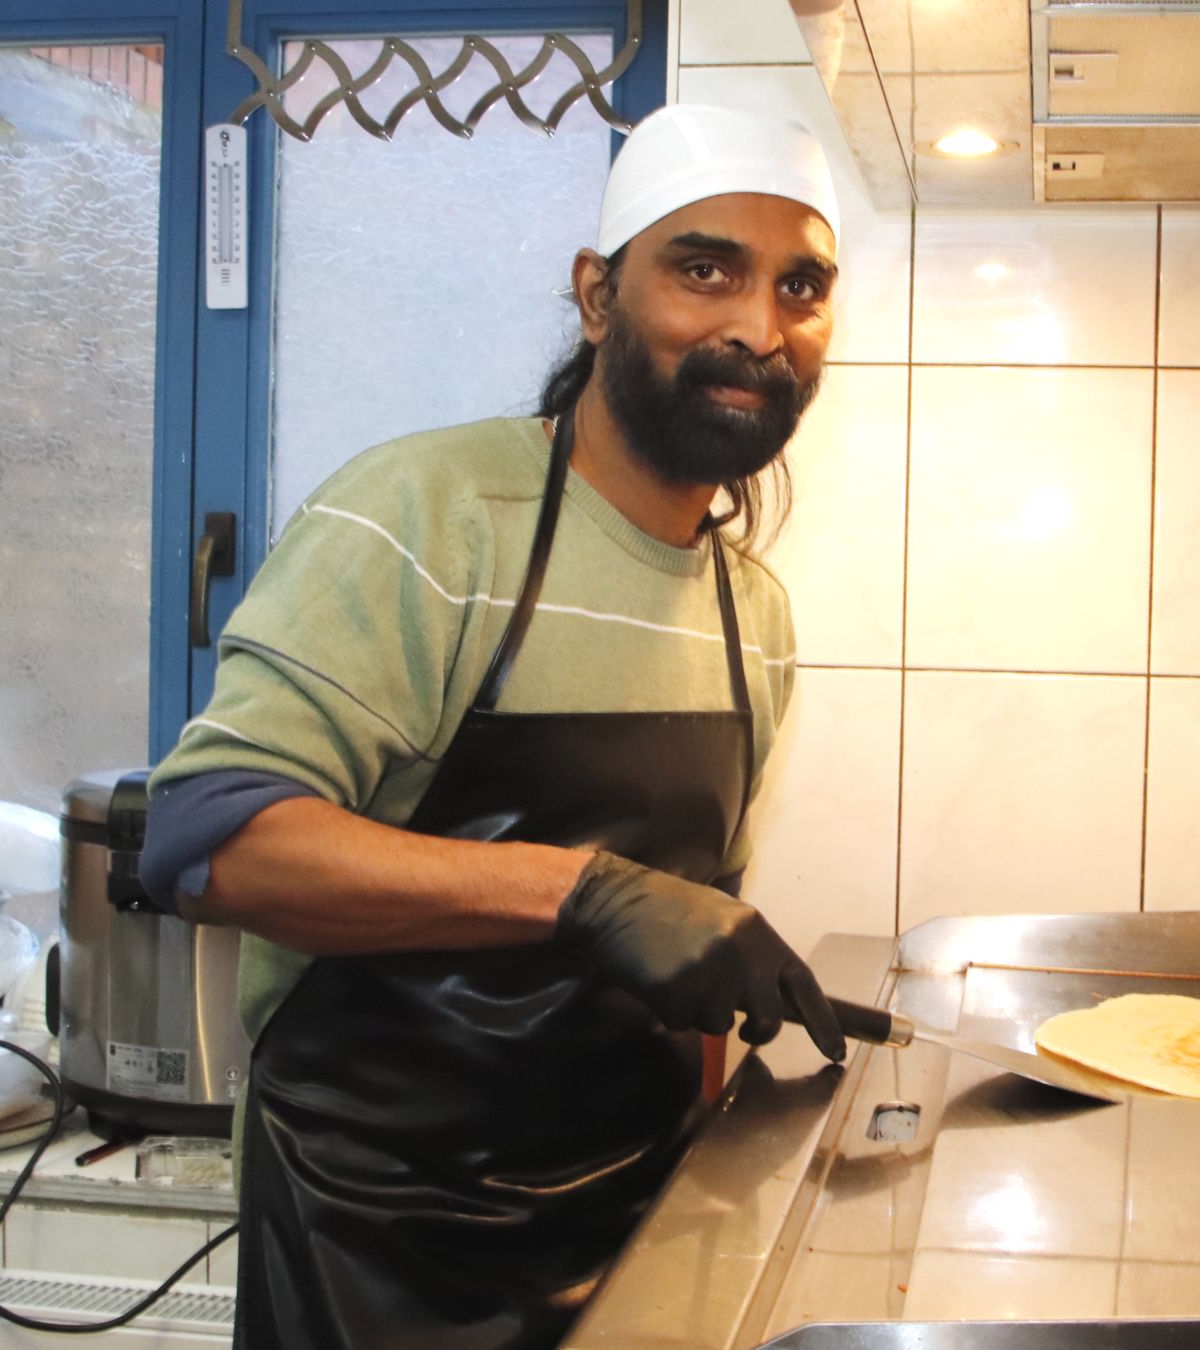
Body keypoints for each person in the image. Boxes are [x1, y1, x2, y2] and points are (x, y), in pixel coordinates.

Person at [137, 103, 850, 1349]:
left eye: (801, 287)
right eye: (703, 269)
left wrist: (710, 1177)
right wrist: (577, 892)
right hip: (374, 1237)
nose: (757, 325)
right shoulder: (429, 515)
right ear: (596, 296)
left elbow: (688, 957)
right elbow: (211, 843)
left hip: (629, 1221)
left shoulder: (756, 613)